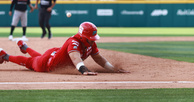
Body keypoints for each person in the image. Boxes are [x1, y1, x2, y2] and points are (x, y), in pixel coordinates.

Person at [0, 22, 129, 75]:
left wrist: (114, 69)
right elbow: (75, 58)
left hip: (54, 53)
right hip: (46, 64)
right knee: (30, 62)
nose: (93, 41)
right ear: (83, 37)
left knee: (37, 57)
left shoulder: (90, 43)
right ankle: (5, 55)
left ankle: (25, 47)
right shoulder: (74, 42)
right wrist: (84, 70)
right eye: (91, 38)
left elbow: (99, 59)